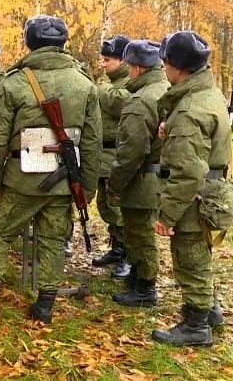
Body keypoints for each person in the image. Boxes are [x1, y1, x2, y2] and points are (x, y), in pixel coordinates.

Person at [0, 15, 101, 323]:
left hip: (21, 181)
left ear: (29, 42)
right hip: (62, 182)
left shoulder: (14, 83)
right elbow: (92, 144)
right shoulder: (85, 84)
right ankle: (45, 307)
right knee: (53, 241)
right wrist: (87, 188)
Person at [150, 31, 233, 347]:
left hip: (194, 197)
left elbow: (187, 173)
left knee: (190, 258)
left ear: (178, 67)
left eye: (166, 62)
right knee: (201, 254)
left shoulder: (189, 110)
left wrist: (167, 215)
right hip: (210, 190)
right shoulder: (207, 94)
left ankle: (196, 325)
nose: (163, 68)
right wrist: (170, 127)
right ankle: (210, 311)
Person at [105, 40, 169, 307]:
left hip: (143, 179)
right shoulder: (166, 89)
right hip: (161, 176)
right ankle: (138, 278)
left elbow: (131, 152)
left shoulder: (141, 101)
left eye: (130, 66)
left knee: (139, 234)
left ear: (138, 68)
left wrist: (115, 186)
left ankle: (144, 287)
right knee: (140, 231)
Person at [91, 34, 133, 280]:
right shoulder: (112, 82)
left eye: (108, 60)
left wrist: (102, 89)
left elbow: (120, 104)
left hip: (118, 153)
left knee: (119, 208)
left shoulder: (129, 82)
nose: (103, 64)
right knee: (106, 205)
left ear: (122, 60)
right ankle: (117, 248)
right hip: (103, 153)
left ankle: (128, 254)